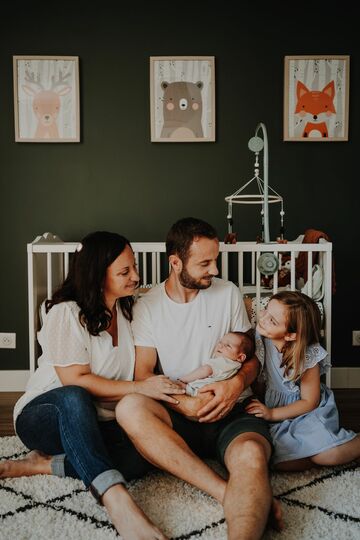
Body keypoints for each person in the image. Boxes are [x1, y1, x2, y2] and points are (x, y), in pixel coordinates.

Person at [0, 231, 185, 540]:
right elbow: (75, 380)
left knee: (146, 453)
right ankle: (116, 500)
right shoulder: (65, 313)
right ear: (99, 276)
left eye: (134, 267)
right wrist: (141, 388)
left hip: (96, 420)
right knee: (75, 395)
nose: (136, 276)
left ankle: (42, 466)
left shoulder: (128, 311)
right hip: (47, 415)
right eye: (124, 272)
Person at [115, 217, 283, 540]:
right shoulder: (147, 308)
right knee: (129, 408)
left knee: (251, 456)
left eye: (215, 260)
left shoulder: (229, 294)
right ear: (175, 262)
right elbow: (144, 375)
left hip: (231, 408)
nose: (215, 270)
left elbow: (253, 360)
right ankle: (223, 491)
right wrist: (186, 405)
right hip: (179, 409)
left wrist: (235, 386)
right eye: (205, 262)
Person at [245, 291, 360, 471]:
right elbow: (245, 303)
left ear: (291, 335)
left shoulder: (306, 355)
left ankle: (343, 447)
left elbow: (309, 402)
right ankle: (314, 455)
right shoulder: (260, 339)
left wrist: (272, 414)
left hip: (307, 412)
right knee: (282, 464)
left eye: (272, 320)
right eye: (265, 309)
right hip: (277, 413)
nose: (263, 318)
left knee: (330, 456)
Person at [179, 331, 254, 397]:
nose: (220, 346)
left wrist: (184, 380)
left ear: (240, 357)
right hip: (228, 398)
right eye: (220, 342)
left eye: (228, 345)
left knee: (178, 386)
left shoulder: (223, 361)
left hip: (202, 393)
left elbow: (206, 370)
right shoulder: (237, 367)